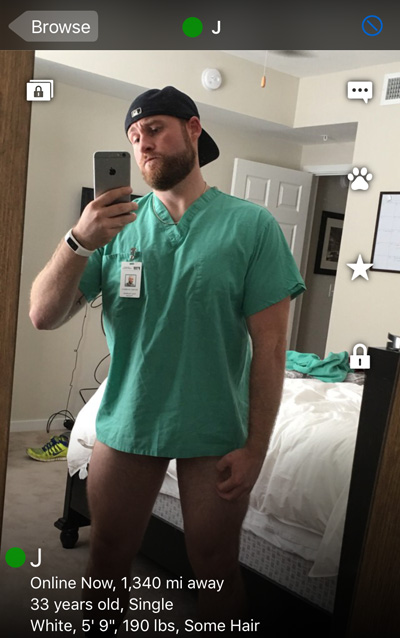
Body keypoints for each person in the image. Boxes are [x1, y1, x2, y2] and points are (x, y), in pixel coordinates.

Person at [29, 86, 305, 635]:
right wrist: (79, 239)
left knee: (216, 567)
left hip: (215, 426)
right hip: (129, 419)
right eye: (134, 137)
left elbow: (272, 349)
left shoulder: (252, 226)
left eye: (154, 128)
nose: (143, 144)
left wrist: (256, 447)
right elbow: (42, 314)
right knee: (107, 557)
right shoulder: (114, 228)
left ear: (193, 129)